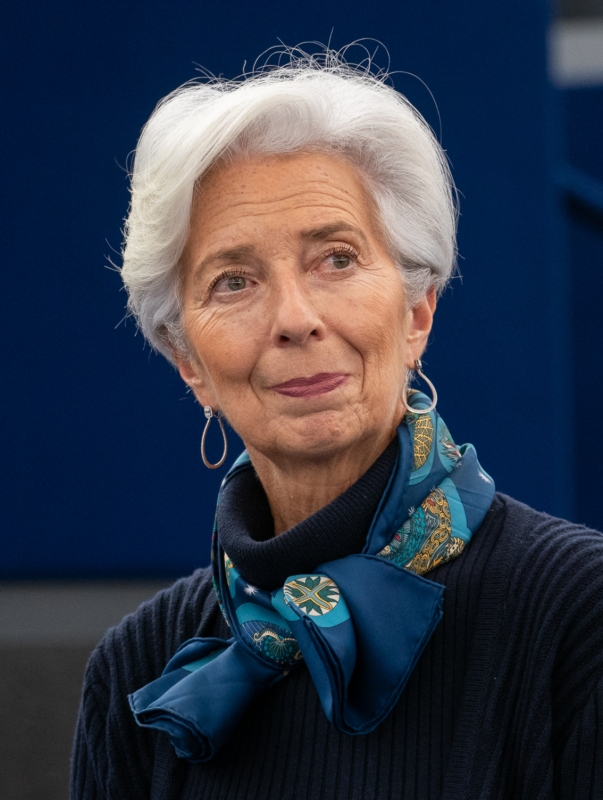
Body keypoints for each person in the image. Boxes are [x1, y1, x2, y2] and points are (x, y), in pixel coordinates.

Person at [71, 49, 603, 800]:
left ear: (417, 312)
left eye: (336, 259)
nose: (295, 319)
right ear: (188, 361)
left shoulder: (579, 613)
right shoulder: (139, 668)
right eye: (234, 281)